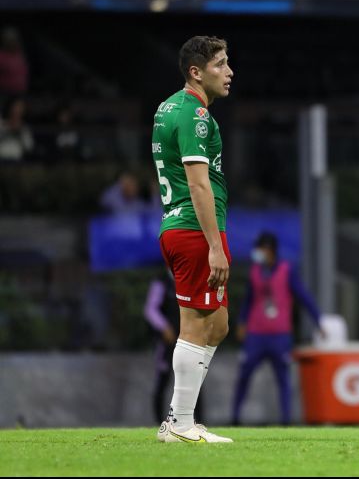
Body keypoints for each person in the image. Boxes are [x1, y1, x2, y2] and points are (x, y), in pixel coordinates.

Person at [153, 35, 234, 443]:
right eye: (220, 64)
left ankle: (179, 420)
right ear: (196, 72)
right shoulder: (195, 116)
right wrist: (215, 247)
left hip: (183, 226)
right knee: (194, 325)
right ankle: (180, 423)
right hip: (195, 229)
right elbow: (199, 184)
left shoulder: (167, 107)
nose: (229, 72)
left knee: (217, 324)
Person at [231, 232, 325, 426]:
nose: (257, 252)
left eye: (260, 248)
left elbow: (303, 296)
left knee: (283, 379)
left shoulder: (286, 270)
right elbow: (249, 300)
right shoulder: (255, 271)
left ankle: (285, 421)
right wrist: (242, 322)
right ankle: (235, 418)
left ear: (269, 250)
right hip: (256, 334)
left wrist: (318, 321)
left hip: (280, 335)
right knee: (244, 375)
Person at [144, 269, 205, 425]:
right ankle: (159, 423)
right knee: (163, 380)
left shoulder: (190, 280)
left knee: (194, 381)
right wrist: (164, 327)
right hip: (168, 342)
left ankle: (196, 422)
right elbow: (151, 310)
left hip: (188, 340)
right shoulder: (161, 282)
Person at [0, 96, 34, 162]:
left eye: (20, 107)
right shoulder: (1, 123)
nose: (17, 110)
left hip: (17, 162)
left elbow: (29, 147)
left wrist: (19, 133)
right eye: (15, 107)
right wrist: (8, 130)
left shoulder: (25, 128)